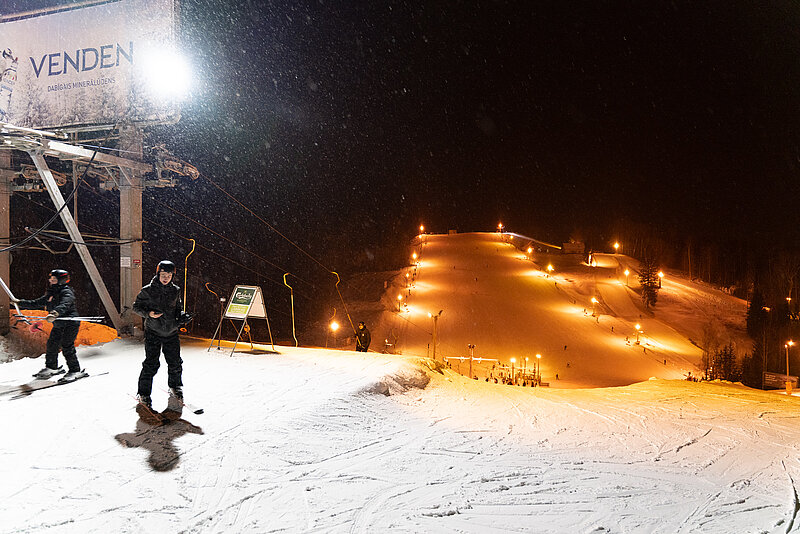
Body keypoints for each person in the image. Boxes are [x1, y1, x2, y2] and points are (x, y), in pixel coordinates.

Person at [132, 260, 192, 409]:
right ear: (158, 274)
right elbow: (136, 307)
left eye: (169, 275)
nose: (166, 278)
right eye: (163, 274)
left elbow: (178, 308)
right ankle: (144, 393)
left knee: (175, 363)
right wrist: (148, 314)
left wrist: (183, 316)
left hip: (171, 332)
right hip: (153, 332)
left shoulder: (175, 290)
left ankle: (176, 387)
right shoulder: (147, 290)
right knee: (151, 364)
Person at [15, 269, 84, 381]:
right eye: (51, 279)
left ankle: (75, 370)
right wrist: (20, 302)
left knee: (67, 346)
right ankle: (52, 367)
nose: (51, 281)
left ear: (61, 280)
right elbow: (37, 303)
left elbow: (65, 304)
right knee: (52, 345)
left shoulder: (67, 292)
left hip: (70, 323)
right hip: (59, 323)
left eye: (54, 279)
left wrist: (55, 313)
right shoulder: (52, 293)